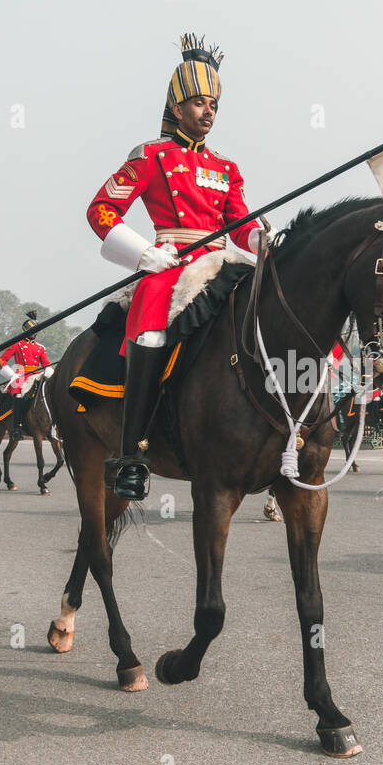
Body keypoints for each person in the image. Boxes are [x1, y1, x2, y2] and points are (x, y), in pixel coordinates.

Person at [86, 34, 266, 501]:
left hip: (222, 261)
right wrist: (144, 254)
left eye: (214, 105)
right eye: (200, 102)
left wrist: (263, 237)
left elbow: (240, 222)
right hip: (169, 263)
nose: (208, 111)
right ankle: (131, 454)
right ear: (178, 106)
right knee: (149, 334)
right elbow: (102, 210)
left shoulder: (226, 168)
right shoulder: (150, 156)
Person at [0, 311, 53, 441]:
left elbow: (46, 363)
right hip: (20, 375)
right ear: (27, 331)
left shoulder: (40, 348)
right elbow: (1, 360)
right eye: (33, 330)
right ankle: (16, 428)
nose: (35, 333)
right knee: (18, 394)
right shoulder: (17, 345)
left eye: (36, 331)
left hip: (36, 375)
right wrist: (11, 375)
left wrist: (48, 371)